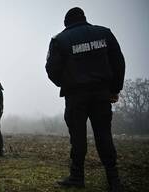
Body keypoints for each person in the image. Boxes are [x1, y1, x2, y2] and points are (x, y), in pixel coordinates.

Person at [45, 7, 125, 191]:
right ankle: (114, 180)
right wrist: (114, 89)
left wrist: (66, 83)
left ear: (66, 23)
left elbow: (51, 69)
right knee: (104, 134)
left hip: (75, 96)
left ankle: (77, 177)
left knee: (78, 137)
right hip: (101, 94)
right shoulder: (104, 33)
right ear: (84, 18)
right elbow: (118, 61)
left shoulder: (60, 40)